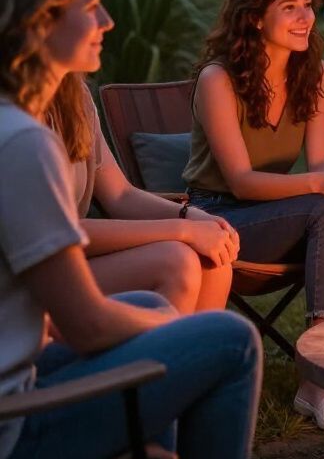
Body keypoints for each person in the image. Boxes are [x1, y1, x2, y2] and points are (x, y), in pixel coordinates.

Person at [0, 0, 316, 459]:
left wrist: (187, 221)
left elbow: (113, 201)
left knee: (153, 312)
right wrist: (175, 337)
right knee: (227, 341)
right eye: (90, 6)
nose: (108, 20)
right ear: (39, 19)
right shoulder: (19, 142)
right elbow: (85, 326)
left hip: (19, 381)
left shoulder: (37, 116)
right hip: (13, 433)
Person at [184, 0, 324, 429]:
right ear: (256, 17)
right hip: (217, 219)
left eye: (308, 5)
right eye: (289, 8)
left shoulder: (314, 74)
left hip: (279, 216)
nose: (305, 18)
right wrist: (322, 185)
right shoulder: (219, 79)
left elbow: (320, 164)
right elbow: (241, 181)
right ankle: (319, 374)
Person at [47, 71, 238, 313]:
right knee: (175, 262)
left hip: (73, 259)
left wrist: (190, 215)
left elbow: (120, 195)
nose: (103, 35)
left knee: (214, 262)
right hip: (32, 273)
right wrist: (184, 230)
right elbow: (56, 232)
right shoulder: (17, 116)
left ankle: (191, 340)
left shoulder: (75, 97)